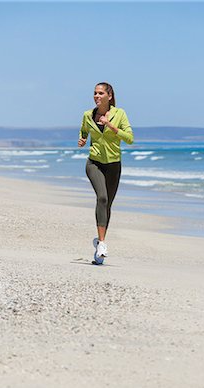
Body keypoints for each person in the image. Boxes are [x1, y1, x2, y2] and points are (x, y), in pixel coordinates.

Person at [78, 82, 134, 259]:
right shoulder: (88, 115)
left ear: (109, 96)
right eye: (95, 93)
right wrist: (82, 139)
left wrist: (110, 125)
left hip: (113, 165)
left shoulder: (120, 114)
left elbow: (130, 138)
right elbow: (84, 131)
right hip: (94, 163)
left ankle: (99, 248)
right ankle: (102, 243)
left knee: (107, 204)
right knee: (102, 198)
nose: (96, 96)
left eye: (100, 93)